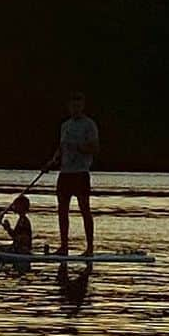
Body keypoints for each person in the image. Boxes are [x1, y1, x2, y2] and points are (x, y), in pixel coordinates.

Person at [47, 91, 99, 256]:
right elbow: (61, 148)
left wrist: (79, 147)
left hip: (81, 173)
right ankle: (64, 247)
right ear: (69, 107)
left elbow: (94, 148)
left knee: (85, 209)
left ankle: (89, 248)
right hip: (65, 173)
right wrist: (52, 161)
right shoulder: (65, 126)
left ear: (82, 106)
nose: (75, 108)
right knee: (62, 211)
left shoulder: (89, 125)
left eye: (78, 105)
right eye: (72, 106)